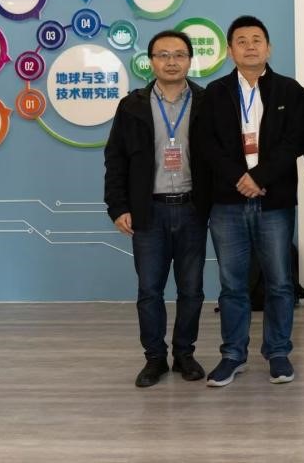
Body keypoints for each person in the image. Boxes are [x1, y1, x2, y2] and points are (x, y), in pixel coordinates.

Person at [200, 15, 304, 387]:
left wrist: (259, 177)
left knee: (280, 282)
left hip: (274, 201)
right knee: (232, 284)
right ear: (230, 51)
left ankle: (278, 352)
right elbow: (207, 144)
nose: (250, 46)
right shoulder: (215, 92)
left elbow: (295, 141)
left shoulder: (289, 90)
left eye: (257, 39)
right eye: (241, 41)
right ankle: (233, 354)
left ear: (269, 48)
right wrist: (239, 178)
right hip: (227, 204)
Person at [104, 29, 209, 387]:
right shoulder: (132, 105)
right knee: (149, 289)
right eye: (163, 55)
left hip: (193, 209)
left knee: (191, 289)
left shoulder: (206, 101)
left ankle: (184, 354)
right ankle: (154, 358)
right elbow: (115, 159)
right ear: (151, 61)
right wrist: (118, 206)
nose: (171, 61)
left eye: (179, 55)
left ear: (190, 60)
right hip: (149, 210)